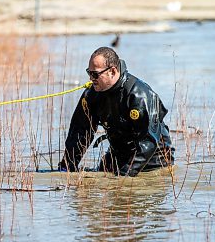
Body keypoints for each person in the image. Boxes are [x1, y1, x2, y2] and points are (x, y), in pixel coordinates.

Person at [58, 46, 174, 177]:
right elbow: (79, 133)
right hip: (118, 155)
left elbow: (148, 143)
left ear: (112, 71)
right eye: (89, 73)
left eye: (95, 74)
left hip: (153, 162)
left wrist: (123, 177)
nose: (91, 78)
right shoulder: (91, 95)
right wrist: (66, 168)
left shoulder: (139, 95)